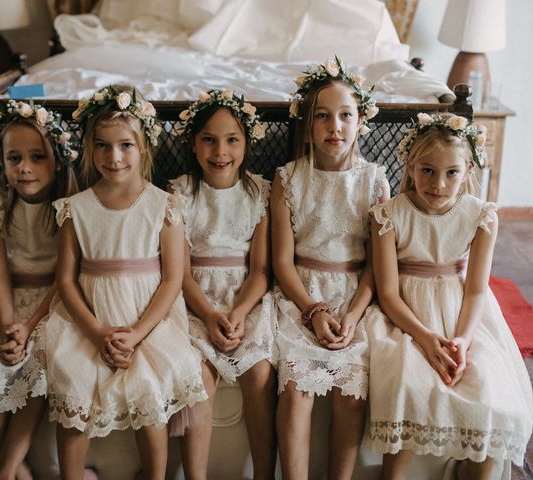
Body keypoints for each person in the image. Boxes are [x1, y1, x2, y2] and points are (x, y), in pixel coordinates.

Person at [45, 85, 207, 480]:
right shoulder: (74, 209)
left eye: (125, 146)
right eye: (102, 146)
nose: (113, 157)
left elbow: (171, 281)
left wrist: (134, 335)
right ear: (89, 148)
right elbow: (65, 281)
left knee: (148, 389)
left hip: (147, 321)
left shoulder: (164, 206)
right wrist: (99, 332)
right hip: (91, 320)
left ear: (143, 148)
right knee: (75, 381)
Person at [366, 113, 533, 479]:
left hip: (463, 317)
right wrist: (426, 339)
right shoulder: (388, 216)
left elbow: (475, 289)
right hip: (408, 318)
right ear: (410, 166)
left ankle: (473, 469)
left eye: (451, 173)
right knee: (408, 384)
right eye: (427, 170)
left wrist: (461, 339)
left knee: (489, 390)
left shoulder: (482, 217)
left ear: (468, 169)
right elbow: (388, 294)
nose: (438, 183)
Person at [271, 56, 387, 480]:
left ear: (360, 122)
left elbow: (377, 266)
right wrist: (315, 311)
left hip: (356, 294)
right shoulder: (289, 178)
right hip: (302, 294)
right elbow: (282, 262)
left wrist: (352, 315)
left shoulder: (374, 181)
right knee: (297, 391)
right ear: (307, 123)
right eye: (322, 116)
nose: (334, 127)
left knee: (350, 395)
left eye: (345, 116)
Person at [0, 100, 78, 480]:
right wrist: (10, 325)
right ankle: (19, 469)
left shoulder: (68, 209)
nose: (24, 168)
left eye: (36, 157)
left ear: (56, 160)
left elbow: (65, 278)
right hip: (8, 302)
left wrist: (28, 330)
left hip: (53, 302)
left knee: (40, 366)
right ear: (2, 161)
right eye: (14, 158)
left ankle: (5, 471)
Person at [169, 89, 277, 479]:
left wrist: (236, 312)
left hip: (244, 299)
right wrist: (212, 314)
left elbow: (262, 271)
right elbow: (178, 275)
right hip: (196, 301)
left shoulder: (260, 193)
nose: (221, 151)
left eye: (232, 140)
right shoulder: (179, 193)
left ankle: (264, 472)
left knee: (260, 373)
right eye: (209, 140)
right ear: (194, 145)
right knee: (197, 376)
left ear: (246, 143)